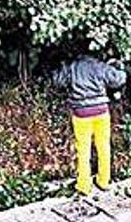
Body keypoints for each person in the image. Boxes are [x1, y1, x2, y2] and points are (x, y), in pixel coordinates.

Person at [53, 55, 127, 195]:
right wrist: (120, 68)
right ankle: (103, 181)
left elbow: (57, 81)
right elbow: (119, 79)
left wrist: (63, 66)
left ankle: (84, 186)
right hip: (101, 112)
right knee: (104, 147)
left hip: (81, 113)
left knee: (83, 150)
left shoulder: (72, 66)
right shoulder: (98, 65)